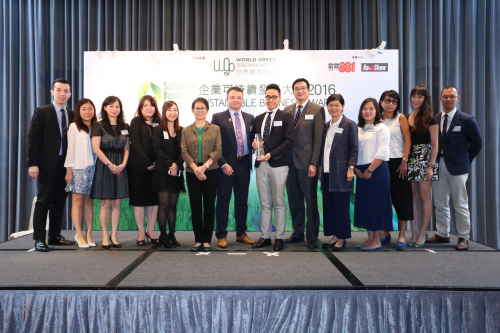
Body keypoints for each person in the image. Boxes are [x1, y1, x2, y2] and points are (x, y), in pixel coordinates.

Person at [428, 86, 482, 250]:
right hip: (438, 165)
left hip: (458, 167)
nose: (448, 99)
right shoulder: (434, 119)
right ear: (440, 99)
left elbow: (477, 144)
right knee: (440, 202)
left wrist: (465, 160)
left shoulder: (466, 119)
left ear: (458, 98)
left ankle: (463, 237)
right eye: (445, 97)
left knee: (460, 203)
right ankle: (443, 234)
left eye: (452, 96)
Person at [27, 78, 77, 252]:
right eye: (59, 90)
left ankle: (55, 236)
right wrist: (32, 164)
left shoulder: (72, 114)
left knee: (60, 201)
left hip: (66, 164)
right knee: (43, 201)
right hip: (47, 164)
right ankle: (39, 239)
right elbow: (33, 139)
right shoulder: (42, 111)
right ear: (52, 92)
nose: (62, 94)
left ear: (70, 94)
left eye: (66, 91)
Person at [251, 84, 295, 251]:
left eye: (274, 97)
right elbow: (254, 141)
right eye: (268, 97)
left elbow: (290, 141)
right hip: (261, 165)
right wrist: (254, 144)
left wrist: (272, 154)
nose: (270, 100)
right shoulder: (258, 118)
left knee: (278, 201)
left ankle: (280, 237)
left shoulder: (285, 116)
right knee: (265, 203)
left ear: (280, 98)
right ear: (265, 98)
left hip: (279, 164)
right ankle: (265, 236)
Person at [211, 87, 256, 248]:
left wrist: (256, 146)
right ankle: (221, 235)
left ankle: (241, 233)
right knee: (223, 201)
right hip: (225, 166)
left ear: (242, 99)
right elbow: (213, 143)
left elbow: (254, 141)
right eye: (232, 97)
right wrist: (223, 163)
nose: (235, 100)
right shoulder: (217, 118)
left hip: (244, 165)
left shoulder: (250, 118)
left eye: (238, 97)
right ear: (227, 99)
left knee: (242, 202)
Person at [283, 78, 325, 250]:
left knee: (310, 199)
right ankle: (298, 232)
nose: (300, 91)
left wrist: (314, 163)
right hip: (289, 163)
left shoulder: (317, 109)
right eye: (296, 89)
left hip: (307, 163)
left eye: (303, 88)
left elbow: (318, 138)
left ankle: (312, 235)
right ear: (293, 91)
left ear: (309, 90)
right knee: (294, 200)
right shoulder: (288, 110)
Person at [181, 97, 222, 252]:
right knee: (196, 207)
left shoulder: (215, 129)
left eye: (203, 108)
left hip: (211, 172)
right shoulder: (186, 130)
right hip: (192, 174)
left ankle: (207, 241)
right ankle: (198, 240)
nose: (200, 111)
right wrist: (195, 168)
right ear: (192, 111)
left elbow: (218, 150)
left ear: (207, 110)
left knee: (209, 207)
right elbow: (184, 152)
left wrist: (204, 167)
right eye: (197, 108)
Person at [90, 96, 130, 249]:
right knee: (106, 203)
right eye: (111, 106)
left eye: (117, 107)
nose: (115, 109)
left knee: (117, 203)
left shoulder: (125, 126)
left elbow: (127, 148)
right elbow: (96, 148)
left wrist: (123, 164)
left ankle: (114, 235)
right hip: (105, 166)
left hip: (121, 165)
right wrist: (110, 165)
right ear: (105, 108)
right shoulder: (98, 125)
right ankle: (105, 235)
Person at [353, 98, 392, 250]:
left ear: (377, 111)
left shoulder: (382, 128)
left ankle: (376, 240)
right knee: (366, 205)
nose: (367, 112)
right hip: (361, 170)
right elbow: (354, 150)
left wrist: (370, 170)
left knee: (376, 205)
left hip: (376, 170)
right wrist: (356, 168)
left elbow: (382, 152)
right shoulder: (358, 128)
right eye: (364, 109)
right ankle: (370, 238)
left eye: (371, 109)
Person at [321, 94, 358, 251]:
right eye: (330, 105)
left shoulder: (349, 124)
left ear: (342, 106)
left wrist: (351, 168)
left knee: (341, 207)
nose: (333, 108)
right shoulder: (326, 125)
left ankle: (342, 239)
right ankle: (335, 235)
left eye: (337, 105)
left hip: (342, 172)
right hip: (326, 172)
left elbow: (355, 148)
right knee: (330, 207)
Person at [379, 90, 414, 250]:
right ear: (381, 102)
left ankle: (401, 235)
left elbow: (408, 140)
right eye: (387, 100)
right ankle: (385, 232)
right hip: (380, 163)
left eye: (394, 101)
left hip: (398, 163)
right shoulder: (376, 119)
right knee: (383, 200)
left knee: (402, 199)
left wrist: (404, 161)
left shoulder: (401, 118)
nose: (390, 103)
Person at [406, 85, 439, 248]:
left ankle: (424, 232)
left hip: (425, 159)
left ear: (425, 99)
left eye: (420, 96)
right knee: (413, 197)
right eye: (414, 96)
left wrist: (431, 166)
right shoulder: (406, 117)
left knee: (425, 196)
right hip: (410, 159)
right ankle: (414, 231)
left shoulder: (431, 119)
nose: (416, 99)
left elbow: (435, 144)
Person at [64, 98, 97, 248]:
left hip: (95, 169)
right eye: (84, 109)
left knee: (90, 202)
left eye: (90, 108)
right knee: (78, 202)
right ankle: (79, 234)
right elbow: (70, 150)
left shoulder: (97, 127)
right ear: (78, 111)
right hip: (78, 169)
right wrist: (68, 170)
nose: (87, 112)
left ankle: (89, 233)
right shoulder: (74, 126)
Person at [152, 100, 186, 248]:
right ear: (164, 112)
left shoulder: (182, 130)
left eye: (175, 110)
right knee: (163, 205)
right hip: (162, 172)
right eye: (169, 110)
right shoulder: (158, 129)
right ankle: (163, 236)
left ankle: (172, 235)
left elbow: (184, 151)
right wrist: (170, 164)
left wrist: (176, 165)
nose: (173, 113)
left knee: (173, 205)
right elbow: (157, 150)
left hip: (176, 172)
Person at [128, 96, 161, 246]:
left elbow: (164, 146)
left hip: (157, 169)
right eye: (145, 105)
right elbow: (135, 143)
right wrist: (147, 163)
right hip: (138, 168)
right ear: (140, 108)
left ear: (155, 107)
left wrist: (158, 163)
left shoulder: (160, 124)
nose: (149, 108)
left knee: (153, 201)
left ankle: (151, 230)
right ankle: (141, 231)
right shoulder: (136, 122)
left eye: (151, 105)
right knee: (140, 201)